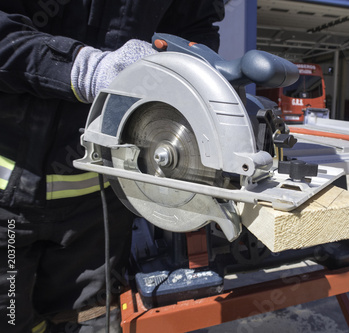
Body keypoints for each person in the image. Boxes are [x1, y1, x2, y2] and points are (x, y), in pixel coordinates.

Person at [0, 1, 225, 332]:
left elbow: (195, 31)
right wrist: (83, 69)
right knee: (9, 318)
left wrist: (182, 73)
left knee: (89, 322)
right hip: (8, 207)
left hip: (99, 206)